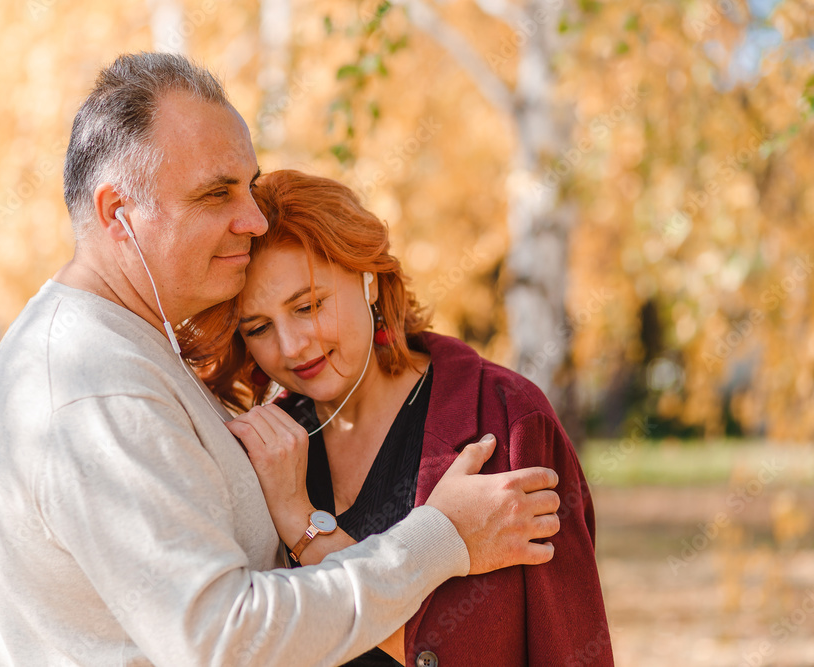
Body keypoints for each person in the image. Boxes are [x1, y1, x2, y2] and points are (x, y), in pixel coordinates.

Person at [0, 52, 563, 666]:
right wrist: (441, 539)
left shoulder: (128, 350)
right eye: (216, 194)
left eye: (247, 187)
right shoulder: (95, 388)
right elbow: (226, 641)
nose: (253, 220)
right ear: (119, 214)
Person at [180, 169, 614, 666]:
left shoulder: (510, 418)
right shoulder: (259, 454)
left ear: (368, 278)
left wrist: (302, 524)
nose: (291, 346)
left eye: (308, 305)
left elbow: (569, 647)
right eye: (258, 328)